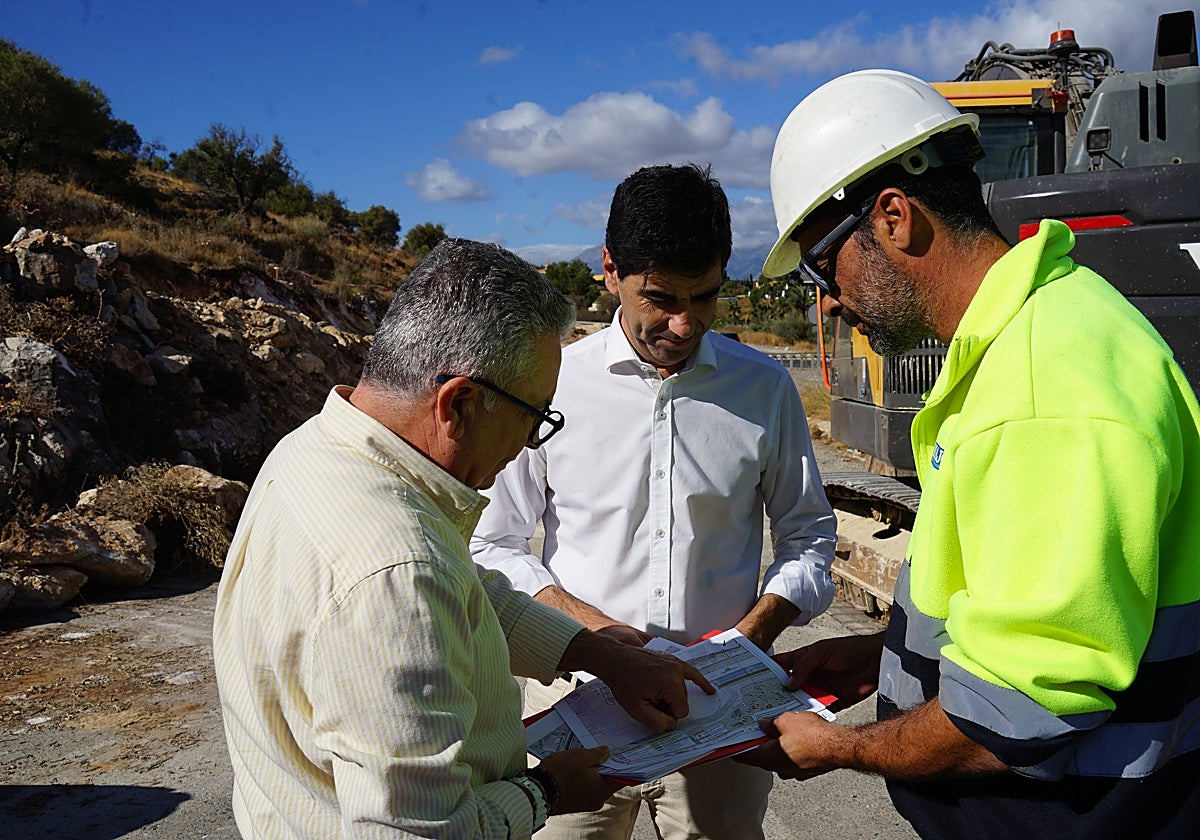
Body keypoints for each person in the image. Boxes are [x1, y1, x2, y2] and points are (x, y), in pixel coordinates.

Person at [736, 69, 1200, 837]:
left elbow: (1023, 708)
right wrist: (887, 657)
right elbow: (1025, 607)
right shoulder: (1034, 333)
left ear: (892, 218)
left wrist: (844, 749)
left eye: (824, 263)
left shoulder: (1042, 384)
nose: (825, 297)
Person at [212, 238, 715, 839]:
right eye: (535, 417)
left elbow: (466, 591)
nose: (531, 443)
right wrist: (546, 790)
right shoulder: (396, 573)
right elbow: (415, 833)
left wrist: (604, 657)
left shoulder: (321, 450)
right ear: (461, 405)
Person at [470, 163, 838, 839]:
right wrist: (596, 638)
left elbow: (808, 537)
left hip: (722, 709)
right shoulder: (552, 383)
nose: (683, 322)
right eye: (661, 297)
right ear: (610, 269)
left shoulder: (764, 390)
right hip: (576, 700)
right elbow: (493, 543)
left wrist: (749, 640)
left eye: (705, 298)